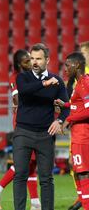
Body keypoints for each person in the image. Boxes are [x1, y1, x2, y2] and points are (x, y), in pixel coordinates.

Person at [13, 43, 69, 210]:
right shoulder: (23, 78)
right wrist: (44, 84)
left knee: (46, 178)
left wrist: (59, 121)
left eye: (38, 59)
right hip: (23, 133)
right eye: (32, 58)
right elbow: (24, 91)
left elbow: (67, 107)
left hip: (46, 134)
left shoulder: (57, 81)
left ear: (47, 60)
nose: (34, 62)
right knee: (20, 175)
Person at [0, 49, 41, 210]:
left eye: (30, 59)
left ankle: (35, 203)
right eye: (26, 61)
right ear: (19, 64)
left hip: (32, 121)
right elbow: (17, 98)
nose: (30, 62)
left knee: (32, 163)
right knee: (24, 161)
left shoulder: (30, 77)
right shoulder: (17, 77)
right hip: (24, 122)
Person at [54, 52, 89, 209]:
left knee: (83, 173)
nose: (65, 69)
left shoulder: (85, 84)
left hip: (83, 135)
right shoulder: (79, 84)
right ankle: (82, 201)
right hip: (77, 135)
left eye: (68, 65)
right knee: (77, 170)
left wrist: (69, 119)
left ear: (77, 65)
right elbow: (79, 105)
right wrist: (65, 105)